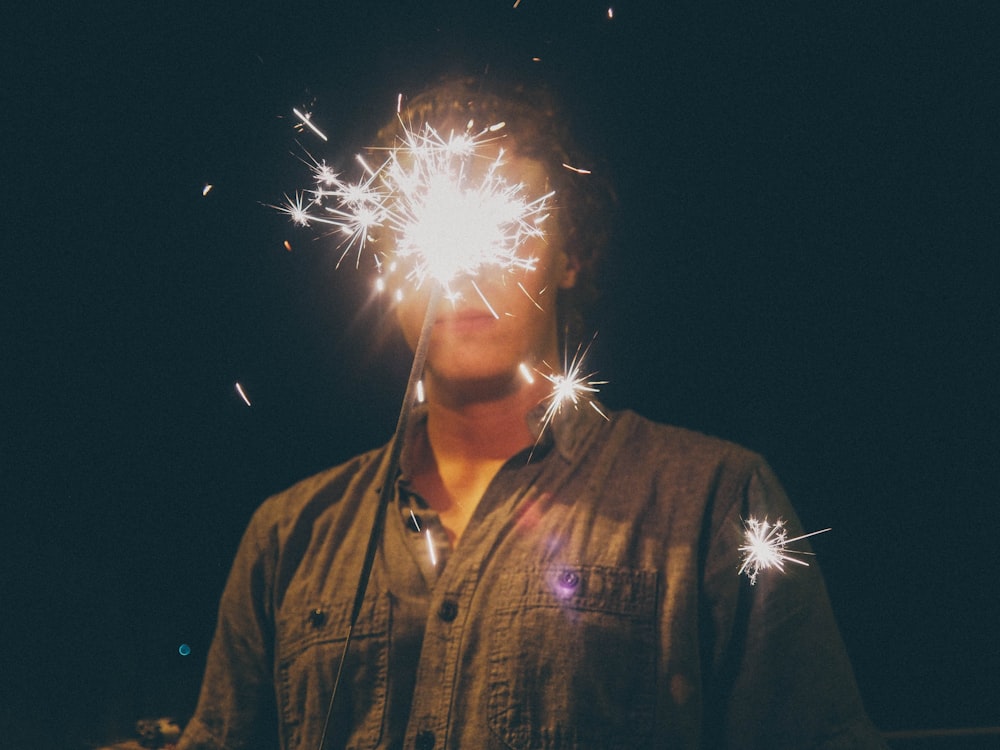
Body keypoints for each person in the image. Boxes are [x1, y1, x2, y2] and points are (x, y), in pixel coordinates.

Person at [178, 77, 886, 749]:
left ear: (568, 254)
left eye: (506, 224)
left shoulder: (712, 501)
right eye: (425, 231)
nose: (463, 269)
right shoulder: (287, 537)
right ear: (384, 261)